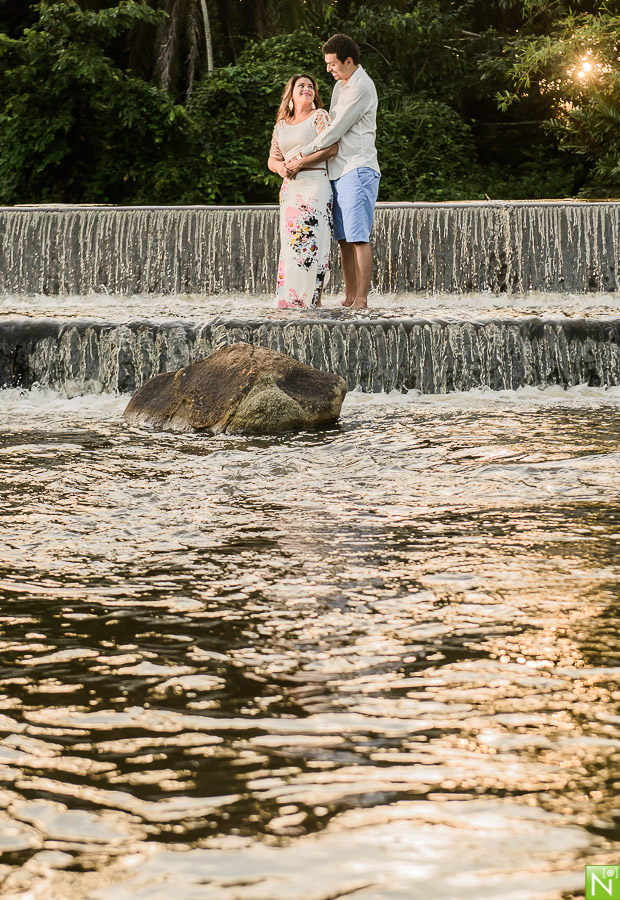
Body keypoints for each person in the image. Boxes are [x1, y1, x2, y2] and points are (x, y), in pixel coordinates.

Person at [286, 34, 380, 310]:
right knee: (343, 239)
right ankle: (350, 296)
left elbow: (334, 131)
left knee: (358, 237)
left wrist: (301, 154)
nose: (328, 69)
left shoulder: (362, 87)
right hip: (337, 172)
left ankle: (361, 300)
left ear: (348, 61)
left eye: (332, 64)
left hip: (358, 168)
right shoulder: (341, 85)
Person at [268, 74, 339, 309]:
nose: (307, 89)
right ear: (291, 93)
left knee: (312, 242)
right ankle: (290, 299)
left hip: (315, 184)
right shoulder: (281, 125)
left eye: (311, 86)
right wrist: (280, 167)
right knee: (291, 245)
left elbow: (331, 148)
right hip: (290, 189)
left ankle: (313, 299)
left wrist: (300, 163)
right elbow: (273, 158)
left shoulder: (319, 116)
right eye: (301, 86)